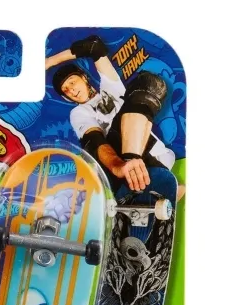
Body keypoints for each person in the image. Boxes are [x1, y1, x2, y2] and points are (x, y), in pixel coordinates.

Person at [46, 35, 184, 201]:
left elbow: (94, 46)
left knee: (149, 83)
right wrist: (117, 165)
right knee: (96, 144)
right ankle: (133, 171)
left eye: (72, 82)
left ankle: (148, 182)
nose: (71, 90)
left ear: (84, 77)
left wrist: (49, 62)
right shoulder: (78, 112)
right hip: (118, 163)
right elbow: (94, 139)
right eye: (66, 90)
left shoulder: (111, 87)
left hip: (157, 156)